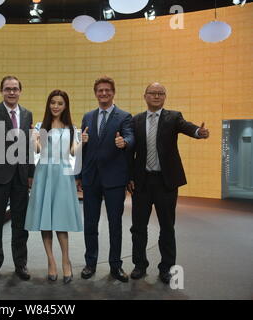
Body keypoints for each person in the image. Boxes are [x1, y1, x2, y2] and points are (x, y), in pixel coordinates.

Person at [128, 82, 209, 284]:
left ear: (165, 97)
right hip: (142, 183)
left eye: (160, 93)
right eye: (152, 93)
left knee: (167, 227)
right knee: (138, 227)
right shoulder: (136, 120)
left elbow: (188, 127)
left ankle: (166, 268)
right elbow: (130, 152)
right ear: (144, 96)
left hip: (166, 183)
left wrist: (199, 133)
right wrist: (129, 177)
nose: (156, 96)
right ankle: (139, 265)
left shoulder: (173, 117)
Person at [77, 76, 134, 282]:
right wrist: (79, 175)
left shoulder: (125, 116)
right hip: (91, 178)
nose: (103, 93)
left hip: (114, 179)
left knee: (114, 225)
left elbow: (130, 136)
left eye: (107, 90)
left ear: (113, 92)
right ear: (95, 93)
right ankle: (90, 263)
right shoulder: (88, 117)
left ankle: (115, 266)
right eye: (100, 90)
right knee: (90, 224)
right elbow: (82, 147)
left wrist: (124, 142)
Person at [0, 76, 35, 281]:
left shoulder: (27, 114)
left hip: (20, 176)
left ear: (20, 91)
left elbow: (28, 145)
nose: (11, 92)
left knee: (20, 224)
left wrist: (31, 173)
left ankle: (21, 264)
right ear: (1, 91)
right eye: (7, 89)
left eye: (15, 89)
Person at [24, 89, 83, 284]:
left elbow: (72, 153)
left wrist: (82, 143)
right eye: (53, 102)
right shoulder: (41, 126)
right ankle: (51, 262)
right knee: (45, 221)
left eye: (60, 103)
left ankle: (66, 261)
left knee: (61, 221)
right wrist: (34, 141)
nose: (56, 106)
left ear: (65, 106)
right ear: (48, 104)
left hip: (63, 175)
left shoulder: (72, 128)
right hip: (44, 173)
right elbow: (39, 150)